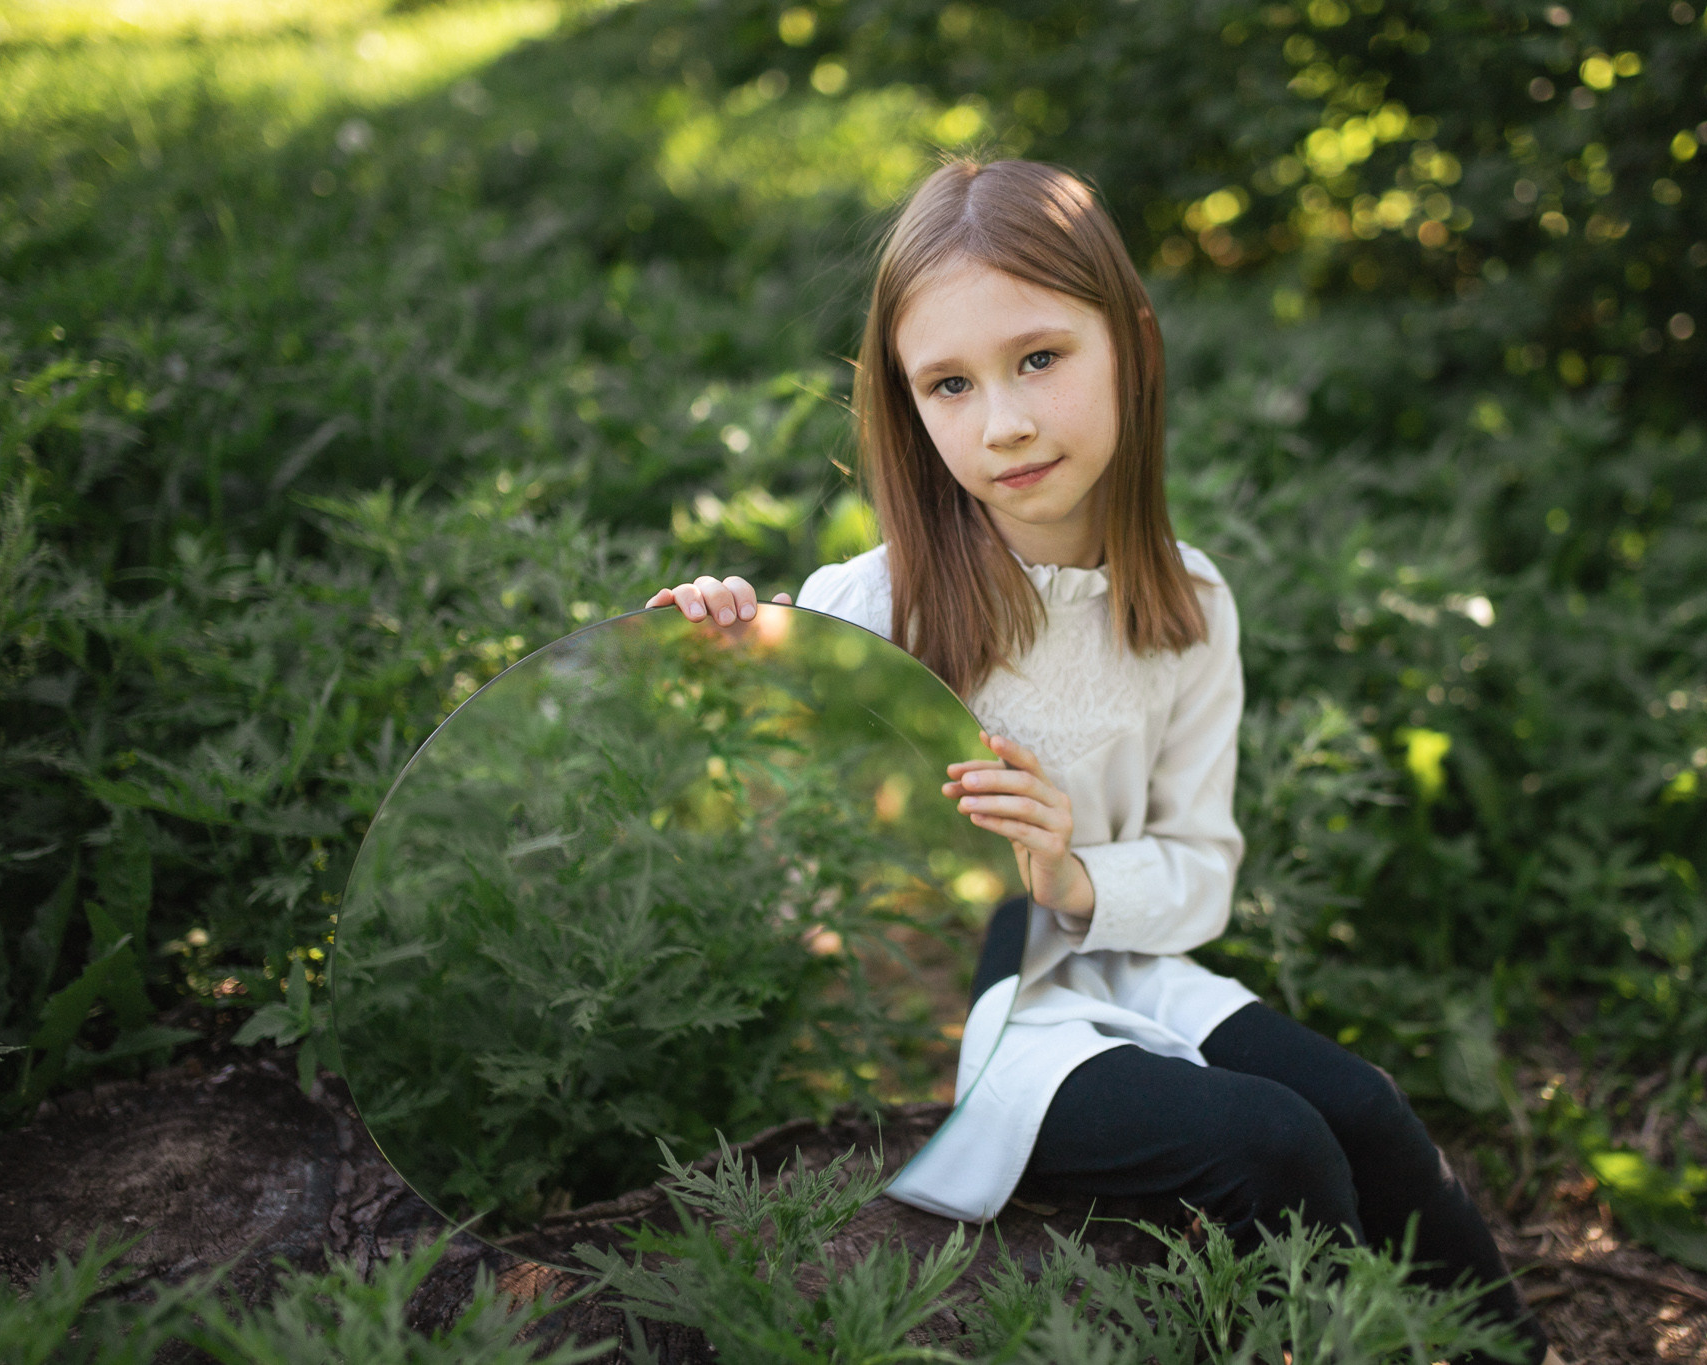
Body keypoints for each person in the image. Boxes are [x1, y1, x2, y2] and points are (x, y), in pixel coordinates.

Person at [649, 158, 1559, 1365]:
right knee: (1270, 1147)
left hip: (1123, 974)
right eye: (948, 384)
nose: (1005, 422)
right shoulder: (858, 610)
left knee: (1366, 1113)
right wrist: (719, 674)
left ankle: (1511, 1353)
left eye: (1038, 359)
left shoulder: (1187, 603)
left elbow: (1198, 867)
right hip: (966, 1024)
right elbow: (785, 866)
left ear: (1129, 342)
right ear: (905, 404)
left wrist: (1072, 877)